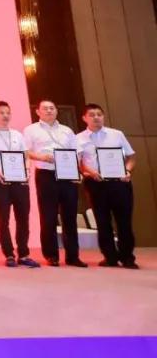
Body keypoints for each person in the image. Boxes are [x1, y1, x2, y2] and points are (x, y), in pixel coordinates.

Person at [23, 99, 86, 267]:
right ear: (38, 112)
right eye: (45, 108)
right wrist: (41, 157)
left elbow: (77, 152)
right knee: (48, 215)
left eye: (52, 108)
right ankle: (51, 255)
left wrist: (76, 170)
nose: (49, 111)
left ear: (56, 111)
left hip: (67, 174)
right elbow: (25, 152)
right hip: (46, 174)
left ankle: (73, 256)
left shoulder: (67, 130)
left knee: (70, 216)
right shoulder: (31, 130)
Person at [0, 101, 38, 268]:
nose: (5, 115)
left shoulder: (17, 134)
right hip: (0, 181)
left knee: (23, 218)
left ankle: (24, 254)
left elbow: (26, 156)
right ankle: (9, 254)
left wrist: (27, 170)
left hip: (20, 181)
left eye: (8, 112)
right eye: (1, 112)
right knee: (3, 219)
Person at [77, 103, 137, 269]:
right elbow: (79, 163)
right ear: (84, 118)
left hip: (120, 183)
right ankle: (110, 257)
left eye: (99, 114)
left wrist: (127, 171)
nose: (96, 117)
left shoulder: (116, 134)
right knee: (102, 222)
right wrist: (90, 172)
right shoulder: (78, 138)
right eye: (92, 115)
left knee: (124, 221)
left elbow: (131, 157)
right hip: (96, 184)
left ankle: (128, 258)